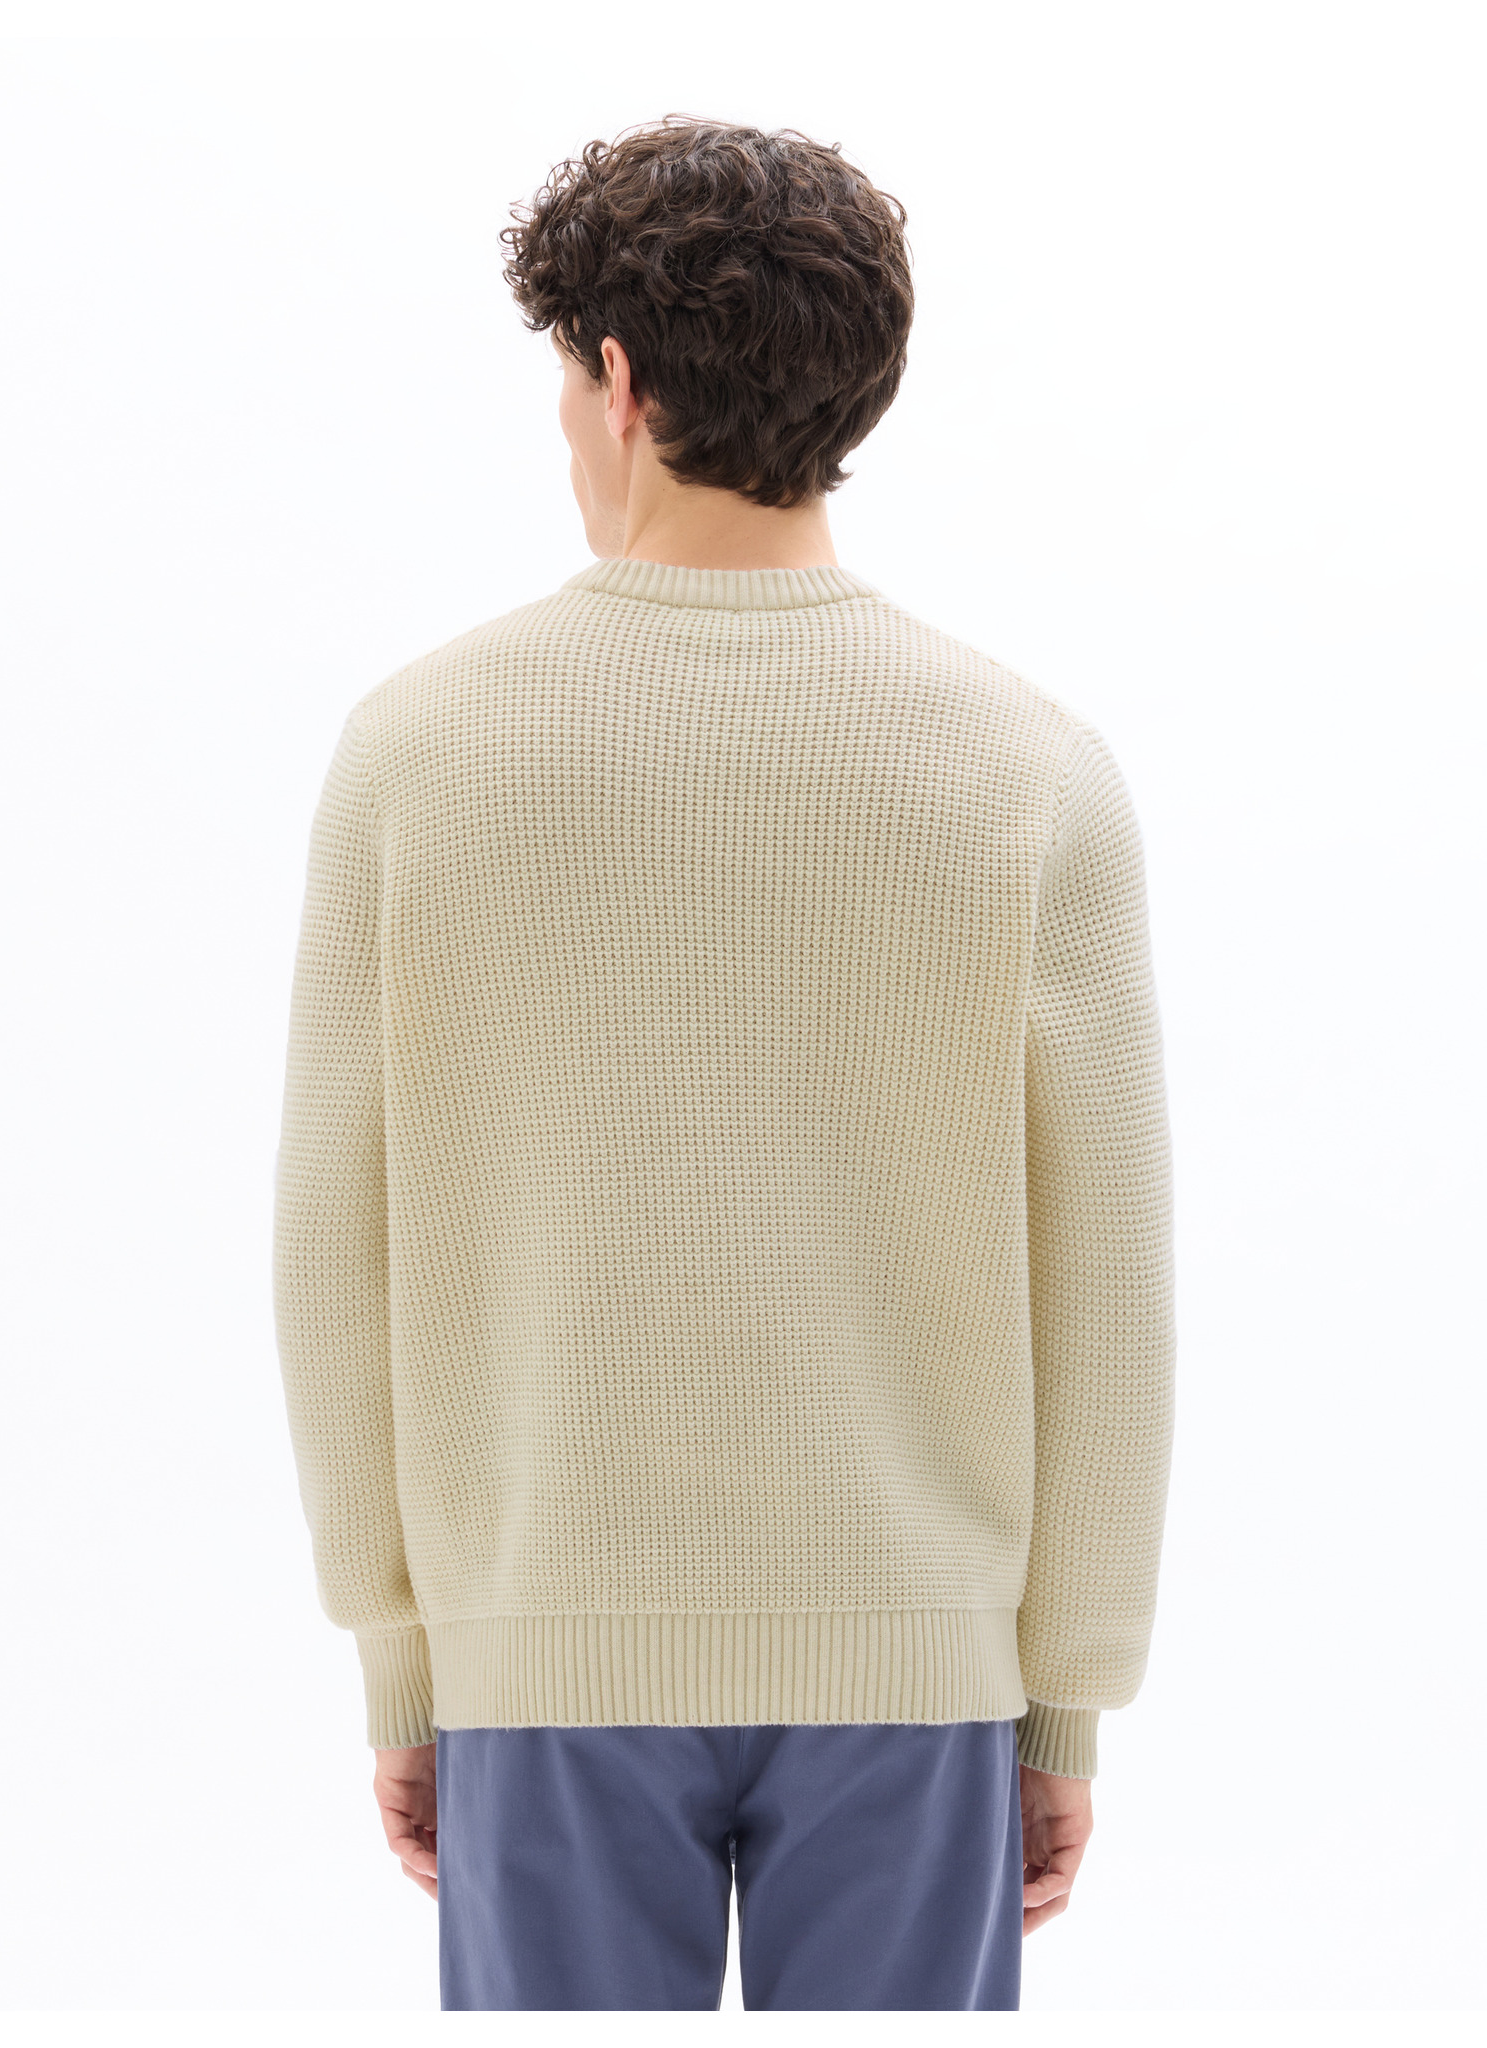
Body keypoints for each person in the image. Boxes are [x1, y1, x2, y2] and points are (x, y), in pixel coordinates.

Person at [272, 113, 1175, 2013]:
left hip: (540, 1652)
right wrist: (1063, 1698)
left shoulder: (415, 752)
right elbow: (1106, 1283)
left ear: (617, 380)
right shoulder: (1030, 767)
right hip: (918, 1668)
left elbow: (333, 1251)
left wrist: (406, 1657)